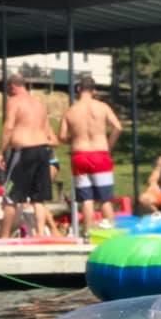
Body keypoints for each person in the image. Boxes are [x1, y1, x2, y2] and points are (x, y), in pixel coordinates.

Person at [0, 74, 60, 238]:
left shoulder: (14, 102)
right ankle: (40, 234)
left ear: (12, 86)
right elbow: (48, 132)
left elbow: (8, 127)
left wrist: (1, 152)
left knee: (10, 197)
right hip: (42, 151)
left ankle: (4, 236)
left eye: (8, 90)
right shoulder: (39, 104)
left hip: (23, 152)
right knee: (38, 199)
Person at [58, 75, 123, 235]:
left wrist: (76, 139)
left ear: (79, 89)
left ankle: (87, 233)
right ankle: (112, 233)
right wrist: (108, 146)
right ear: (94, 91)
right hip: (100, 154)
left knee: (86, 199)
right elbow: (118, 127)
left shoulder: (70, 111)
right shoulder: (102, 107)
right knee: (105, 198)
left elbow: (61, 136)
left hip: (80, 155)